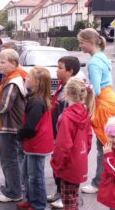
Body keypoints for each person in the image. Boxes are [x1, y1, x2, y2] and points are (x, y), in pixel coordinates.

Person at [77, 28, 115, 194]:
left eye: (82, 42)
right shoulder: (103, 57)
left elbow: (96, 90)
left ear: (90, 42)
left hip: (104, 105)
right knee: (114, 145)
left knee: (103, 147)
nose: (80, 45)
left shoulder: (94, 63)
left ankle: (98, 183)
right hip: (113, 102)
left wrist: (85, 88)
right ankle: (113, 179)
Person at [51, 77, 95, 210]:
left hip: (68, 165)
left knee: (68, 200)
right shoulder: (85, 111)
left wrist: (56, 164)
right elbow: (88, 139)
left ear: (67, 93)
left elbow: (63, 145)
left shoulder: (67, 116)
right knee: (73, 198)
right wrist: (80, 156)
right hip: (79, 162)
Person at [0, 48, 27, 203]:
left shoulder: (12, 82)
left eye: (3, 62)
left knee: (9, 160)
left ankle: (13, 192)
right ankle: (11, 187)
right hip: (12, 126)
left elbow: (4, 106)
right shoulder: (13, 78)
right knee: (11, 159)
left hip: (10, 127)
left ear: (13, 63)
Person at [16, 66, 54, 210]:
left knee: (36, 177)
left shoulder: (37, 102)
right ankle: (31, 200)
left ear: (37, 82)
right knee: (27, 174)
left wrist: (19, 135)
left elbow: (31, 127)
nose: (26, 78)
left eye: (30, 77)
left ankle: (38, 204)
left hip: (37, 145)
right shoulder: (35, 98)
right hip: (33, 145)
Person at [47, 56, 81, 209]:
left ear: (70, 71)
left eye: (60, 67)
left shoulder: (71, 91)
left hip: (62, 136)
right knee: (56, 167)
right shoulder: (62, 85)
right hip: (55, 133)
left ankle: (64, 196)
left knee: (63, 167)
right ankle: (59, 192)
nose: (57, 70)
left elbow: (67, 118)